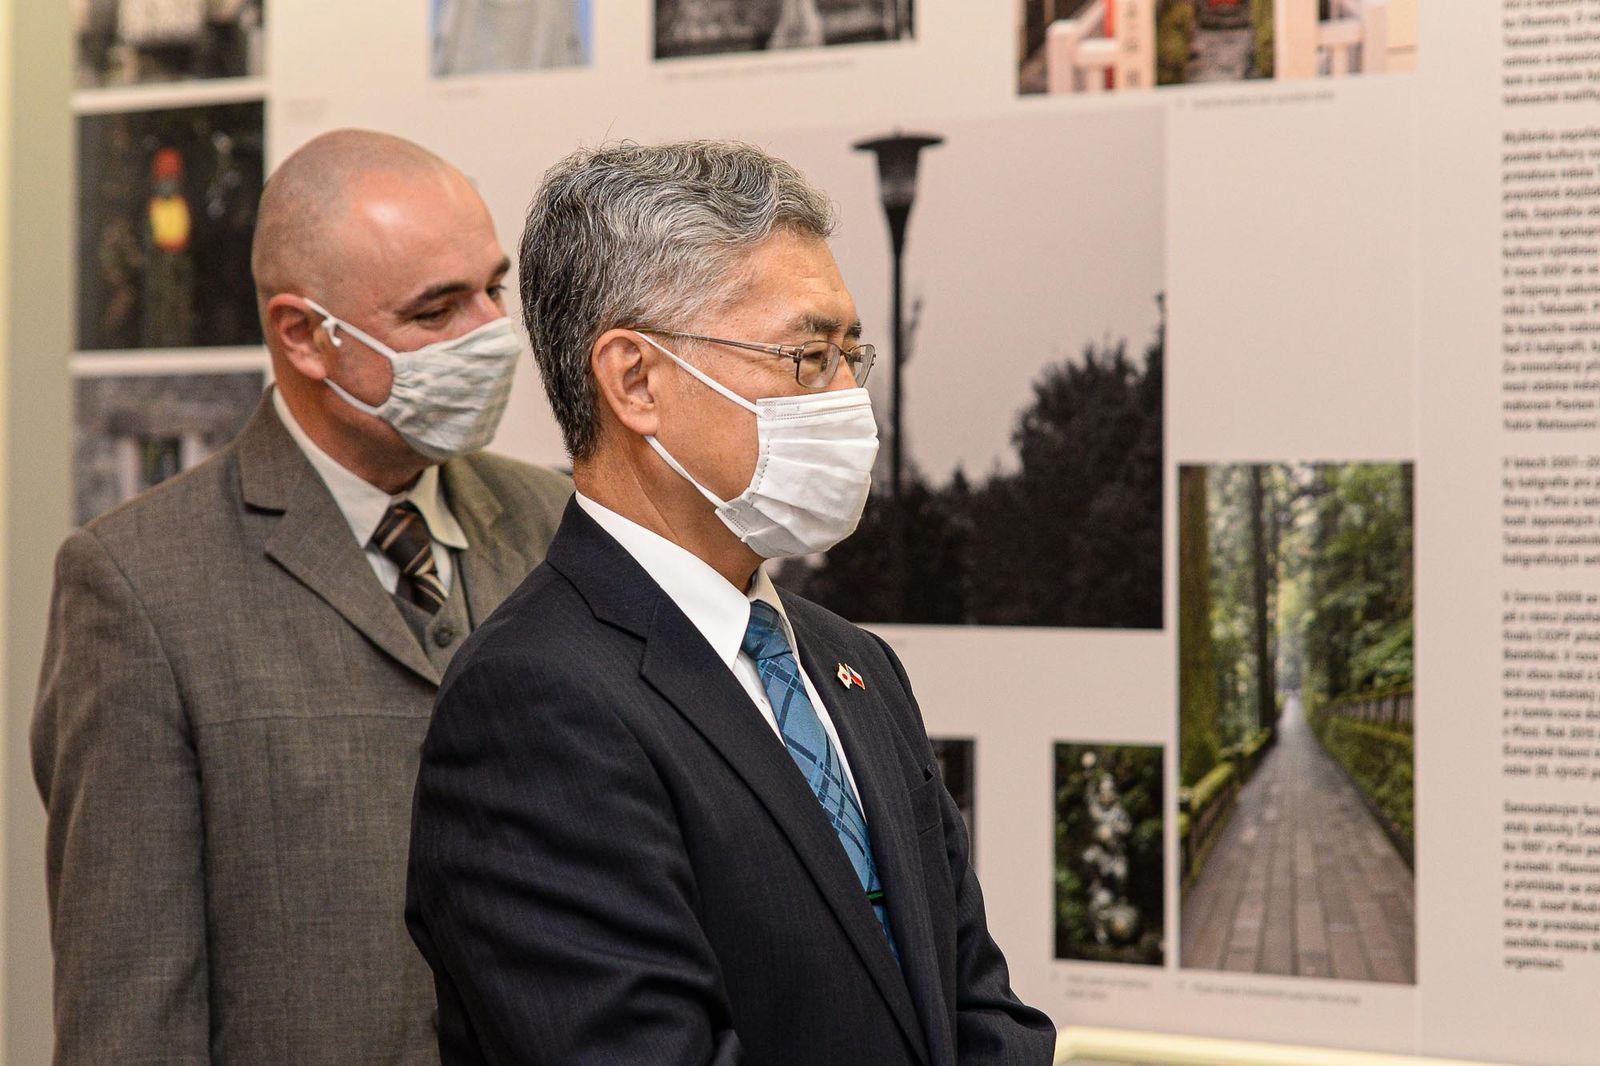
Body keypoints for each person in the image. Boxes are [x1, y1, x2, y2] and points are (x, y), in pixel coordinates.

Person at [406, 140, 1055, 1066]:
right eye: (806, 355)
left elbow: (978, 1005)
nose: (846, 398)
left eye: (849, 357)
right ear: (636, 380)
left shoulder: (855, 665)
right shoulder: (533, 703)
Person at [32, 129, 572, 1065]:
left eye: (494, 287)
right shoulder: (139, 584)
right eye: (436, 310)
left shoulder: (557, 523)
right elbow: (131, 1011)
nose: (489, 334)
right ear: (303, 334)